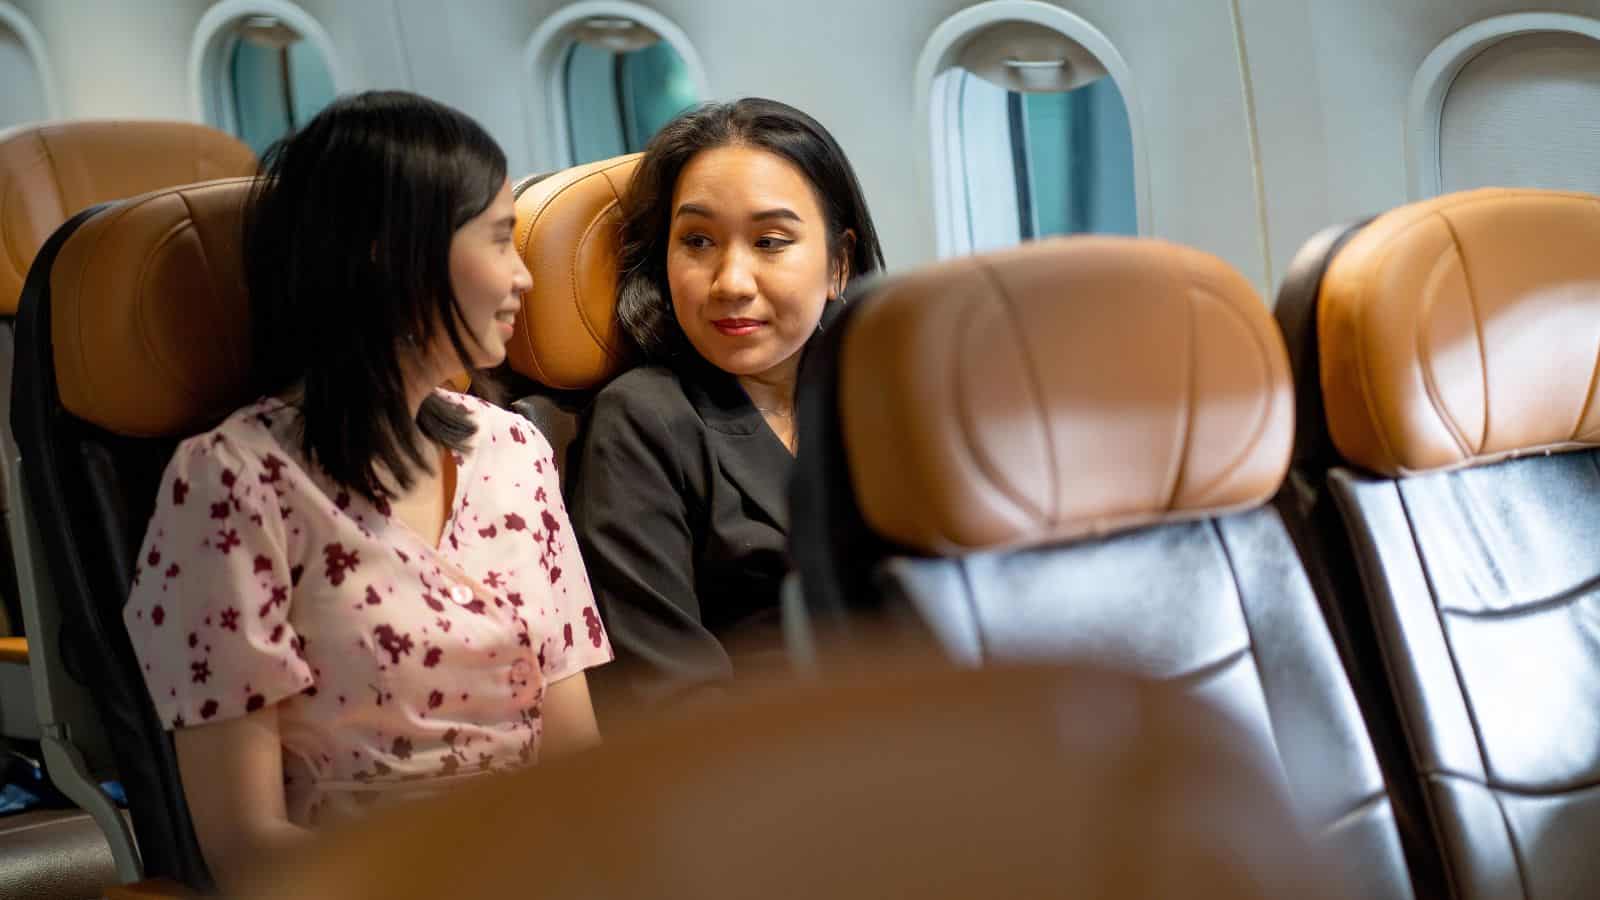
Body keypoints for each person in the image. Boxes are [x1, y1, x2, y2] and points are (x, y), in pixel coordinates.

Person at [122, 91, 611, 888]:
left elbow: (577, 763)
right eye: (497, 240)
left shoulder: (513, 450)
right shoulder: (232, 483)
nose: (524, 277)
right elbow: (244, 843)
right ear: (388, 250)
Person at [567, 97, 884, 715]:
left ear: (838, 264)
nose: (732, 282)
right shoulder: (643, 420)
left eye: (770, 241)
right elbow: (669, 696)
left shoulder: (894, 393)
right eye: (698, 241)